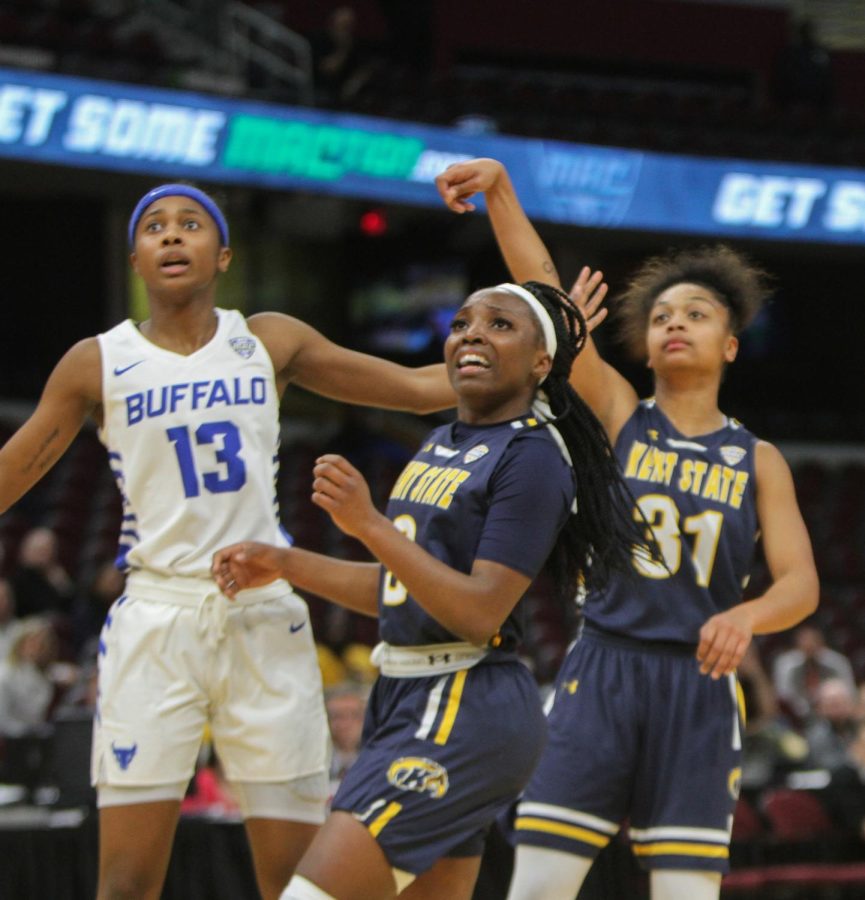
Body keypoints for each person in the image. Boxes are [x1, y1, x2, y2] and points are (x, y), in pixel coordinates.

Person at [0, 183, 458, 900]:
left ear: (223, 256)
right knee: (123, 882)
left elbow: (414, 388)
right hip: (157, 617)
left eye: (190, 225)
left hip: (262, 615)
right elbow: (14, 470)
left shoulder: (269, 339)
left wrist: (541, 350)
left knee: (292, 881)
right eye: (154, 227)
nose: (172, 236)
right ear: (136, 258)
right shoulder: (97, 361)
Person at [436, 158, 820, 900]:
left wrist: (748, 614)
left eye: (696, 314)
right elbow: (544, 294)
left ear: (730, 346)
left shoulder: (758, 459)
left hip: (698, 688)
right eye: (661, 315)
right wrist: (501, 190)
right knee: (538, 887)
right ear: (642, 345)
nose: (675, 322)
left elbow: (800, 585)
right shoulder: (618, 415)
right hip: (602, 670)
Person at [213, 279, 650, 900]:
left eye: (500, 326)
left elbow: (478, 611)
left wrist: (367, 525)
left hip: (462, 705)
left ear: (541, 363)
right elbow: (404, 591)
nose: (471, 333)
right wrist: (286, 563)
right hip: (404, 697)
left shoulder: (533, 457)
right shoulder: (443, 441)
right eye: (462, 324)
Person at [773, 622, 857, 721]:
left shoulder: (836, 662)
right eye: (805, 645)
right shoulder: (786, 665)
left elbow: (850, 691)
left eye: (813, 644)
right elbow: (784, 697)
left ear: (821, 643)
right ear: (797, 645)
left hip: (835, 711)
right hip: (799, 716)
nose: (809, 648)